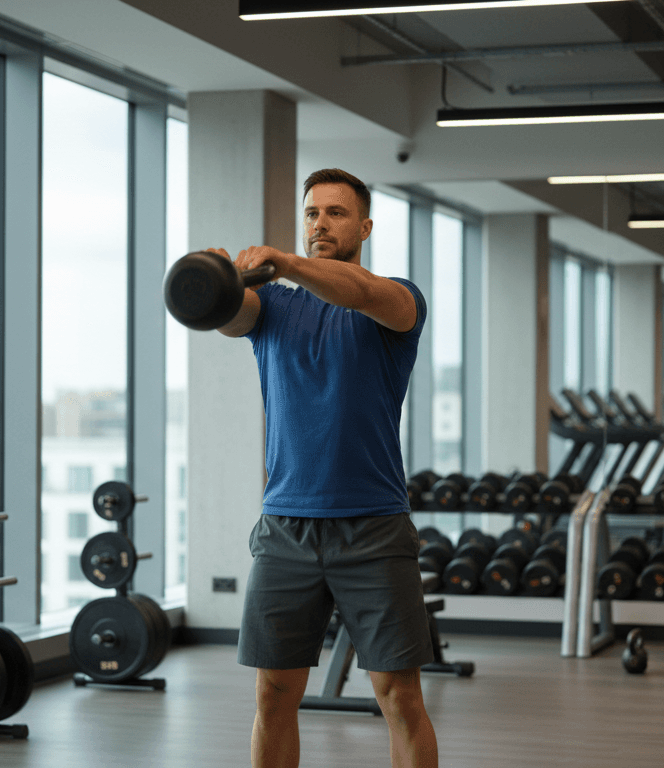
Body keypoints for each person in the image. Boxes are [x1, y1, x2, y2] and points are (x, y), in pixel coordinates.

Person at [206, 168, 438, 768]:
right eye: (312, 213)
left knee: (399, 696)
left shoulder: (398, 298)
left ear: (363, 226)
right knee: (274, 693)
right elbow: (231, 317)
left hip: (375, 528)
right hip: (286, 527)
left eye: (336, 213)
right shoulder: (275, 307)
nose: (320, 223)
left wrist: (283, 261)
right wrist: (217, 284)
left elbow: (357, 292)